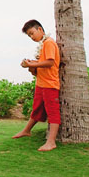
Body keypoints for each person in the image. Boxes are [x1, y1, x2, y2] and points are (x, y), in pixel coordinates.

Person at [13, 19, 61, 152]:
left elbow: (50, 62)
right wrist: (31, 65)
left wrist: (32, 64)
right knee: (37, 109)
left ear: (40, 29)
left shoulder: (49, 43)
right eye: (29, 35)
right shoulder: (43, 44)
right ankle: (26, 130)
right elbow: (42, 64)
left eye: (32, 33)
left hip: (50, 84)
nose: (32, 37)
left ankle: (51, 142)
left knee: (53, 112)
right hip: (41, 83)